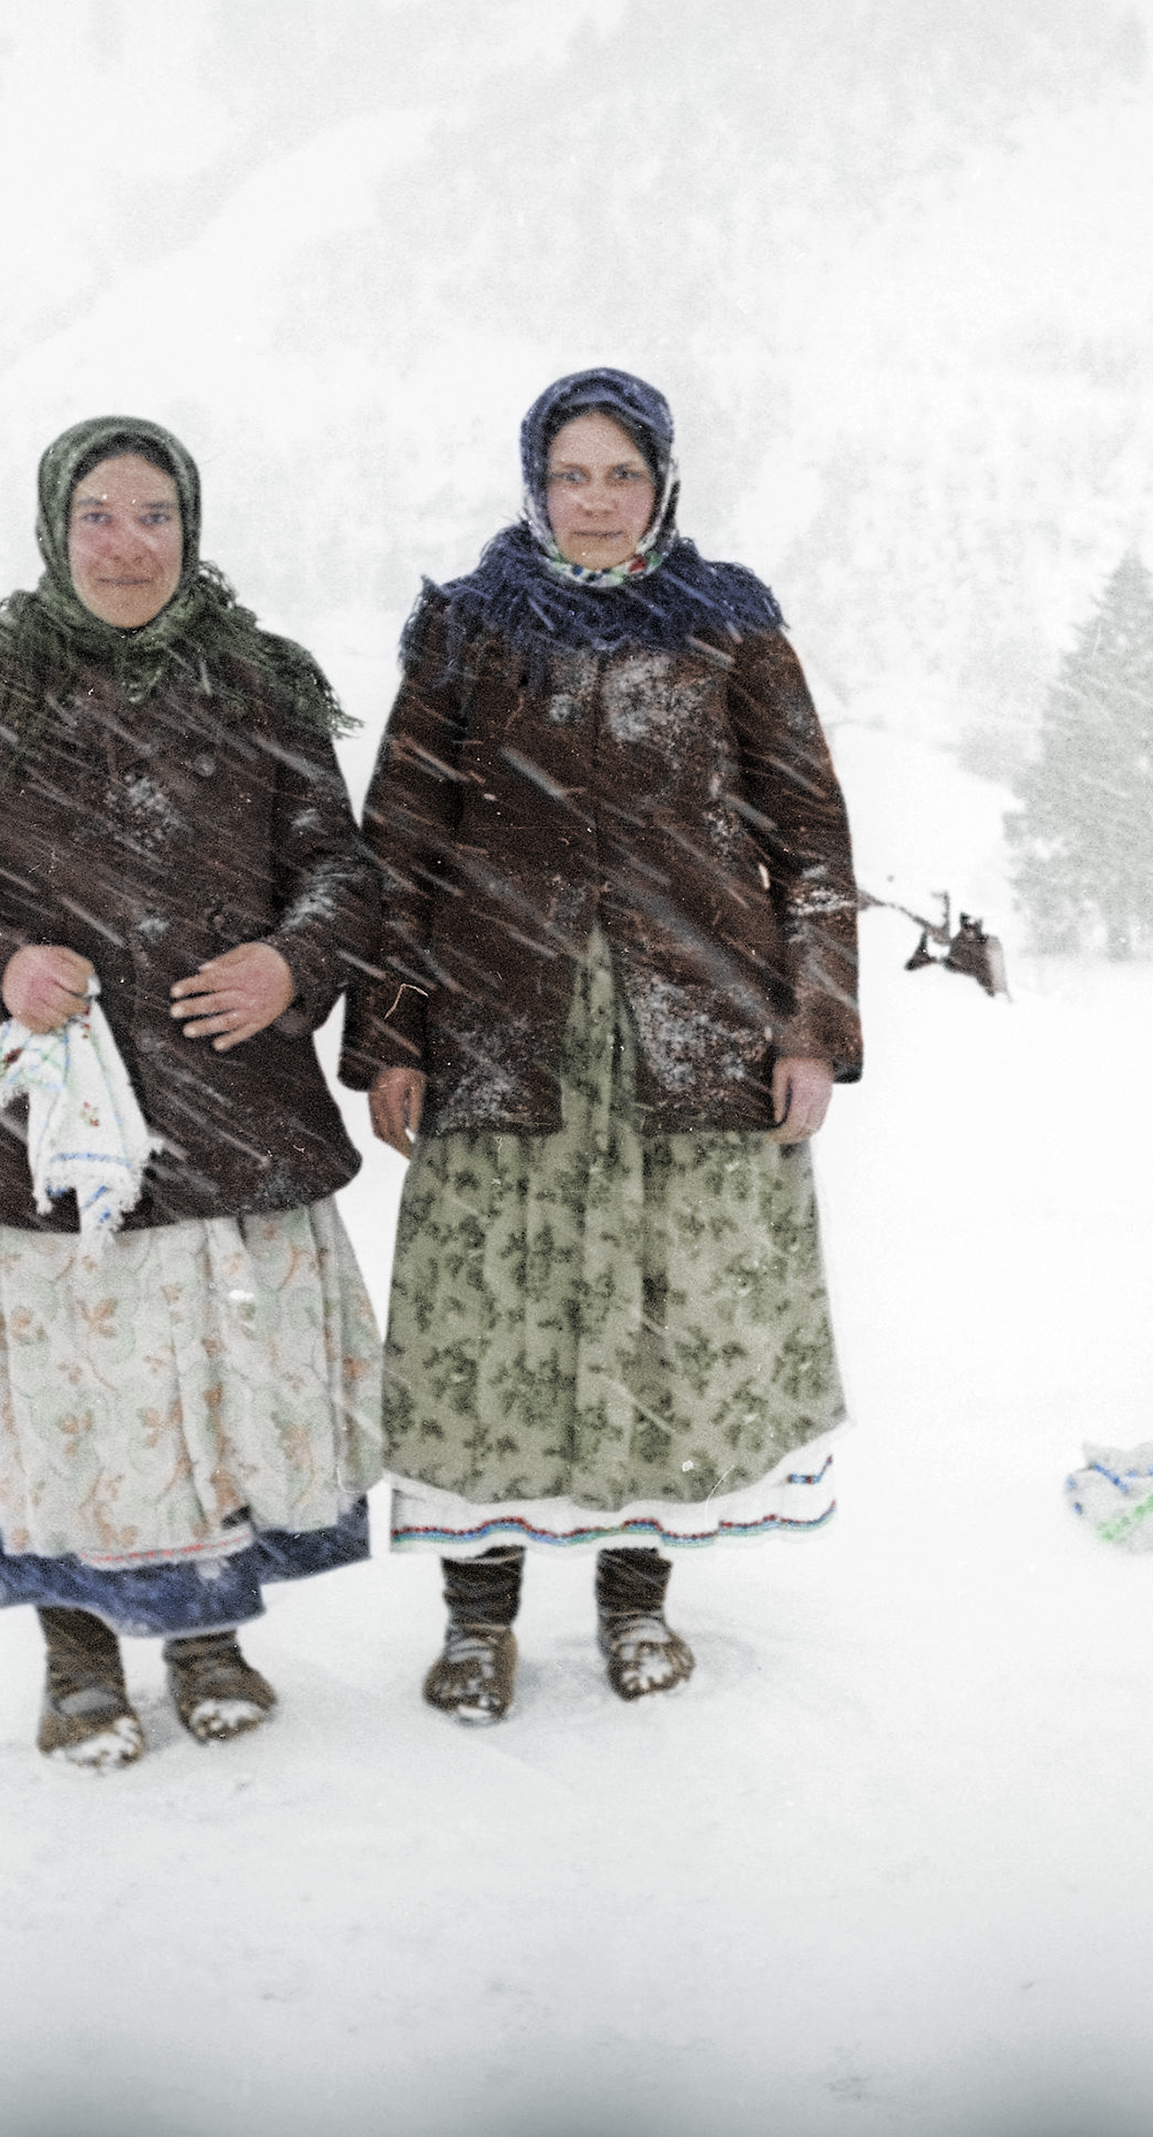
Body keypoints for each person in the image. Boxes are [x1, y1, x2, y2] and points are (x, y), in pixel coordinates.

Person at [0, 415, 381, 1772]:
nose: (128, 545)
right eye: (98, 515)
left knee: (212, 1387)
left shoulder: (262, 688)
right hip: (56, 1123)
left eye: (155, 515)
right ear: (55, 528)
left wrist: (290, 961)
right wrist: (0, 962)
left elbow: (341, 870)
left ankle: (208, 1637)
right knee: (74, 1403)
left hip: (234, 1108)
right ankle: (80, 1658)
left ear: (191, 529)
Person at [341, 365, 858, 1723]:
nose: (596, 501)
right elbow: (401, 840)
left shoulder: (728, 626)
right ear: (534, 484)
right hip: (502, 1031)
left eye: (622, 474)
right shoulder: (467, 630)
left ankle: (638, 1600)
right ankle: (478, 1618)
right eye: (570, 475)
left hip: (692, 1032)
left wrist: (811, 1027)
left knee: (658, 1316)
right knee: (490, 1325)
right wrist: (391, 1034)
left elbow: (811, 843)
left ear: (663, 483)